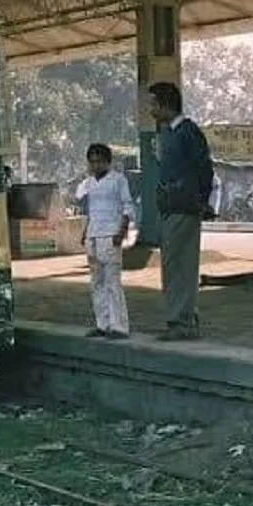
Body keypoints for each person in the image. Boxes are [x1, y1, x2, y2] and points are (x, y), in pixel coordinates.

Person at [148, 82, 214, 341]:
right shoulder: (170, 134)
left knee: (181, 267)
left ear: (165, 104)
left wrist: (201, 201)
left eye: (153, 104)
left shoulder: (188, 132)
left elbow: (204, 169)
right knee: (174, 265)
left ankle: (181, 323)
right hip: (171, 206)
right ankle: (183, 318)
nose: (151, 110)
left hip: (184, 206)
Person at [75, 143, 135, 340]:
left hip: (111, 234)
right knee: (96, 282)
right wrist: (85, 232)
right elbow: (90, 209)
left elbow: (127, 207)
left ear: (108, 161)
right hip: (93, 235)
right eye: (92, 161)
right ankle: (102, 324)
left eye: (99, 161)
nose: (95, 165)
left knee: (112, 282)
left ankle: (119, 326)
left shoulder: (118, 180)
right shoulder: (89, 183)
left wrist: (122, 231)